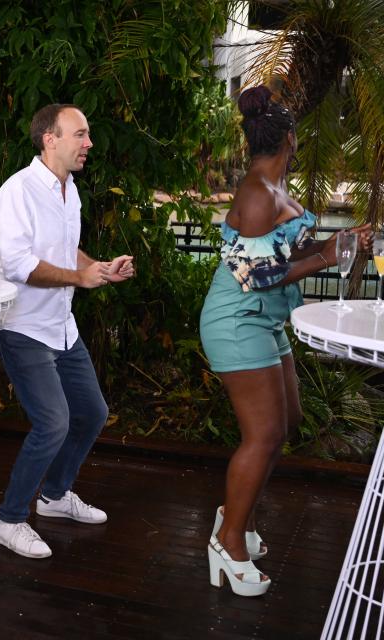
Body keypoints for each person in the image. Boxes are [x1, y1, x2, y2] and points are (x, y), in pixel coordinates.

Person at [200, 86, 372, 597]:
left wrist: (338, 243)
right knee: (265, 434)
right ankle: (227, 541)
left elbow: (290, 252)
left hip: (267, 320)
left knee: (286, 423)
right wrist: (324, 258)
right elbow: (256, 274)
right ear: (290, 139)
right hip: (238, 317)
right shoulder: (256, 193)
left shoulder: (276, 191)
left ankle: (238, 512)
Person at [0, 103, 135, 558]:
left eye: (87, 135)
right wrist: (79, 278)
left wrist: (99, 268)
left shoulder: (70, 191)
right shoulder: (18, 191)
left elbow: (69, 252)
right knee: (53, 423)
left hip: (60, 326)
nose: (89, 143)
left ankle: (53, 496)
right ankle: (8, 519)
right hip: (21, 325)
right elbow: (18, 264)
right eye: (80, 134)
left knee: (91, 413)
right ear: (50, 138)